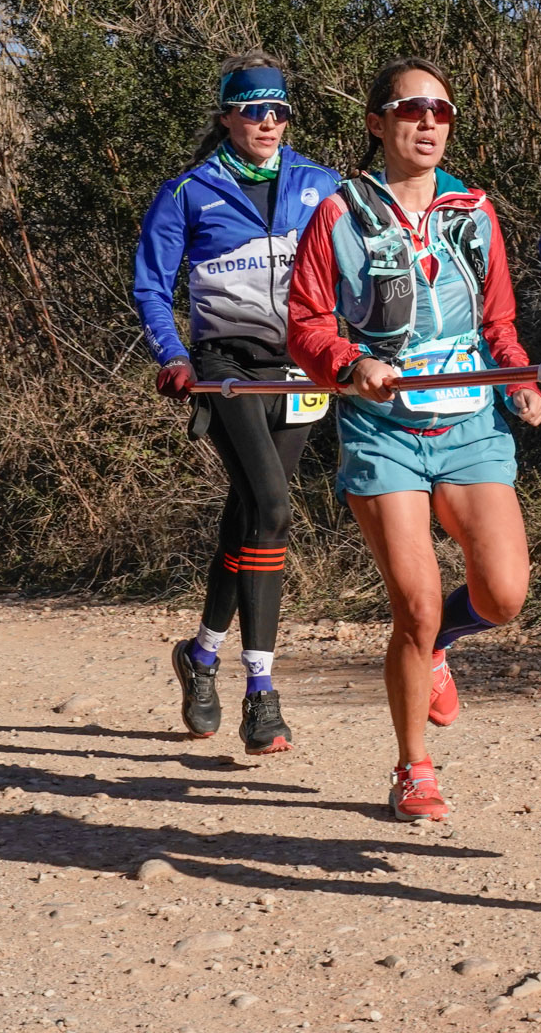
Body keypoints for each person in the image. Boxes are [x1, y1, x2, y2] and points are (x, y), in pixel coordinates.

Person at [288, 57, 541, 821]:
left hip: (471, 421)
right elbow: (305, 323)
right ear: (378, 124)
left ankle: (439, 652)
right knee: (416, 604)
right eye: (411, 109)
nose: (429, 122)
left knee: (504, 595)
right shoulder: (340, 213)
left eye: (442, 111)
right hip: (382, 431)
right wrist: (350, 361)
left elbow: (498, 320)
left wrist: (520, 380)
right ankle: (413, 766)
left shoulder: (474, 211)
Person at [134, 54, 341, 754]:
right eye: (254, 110)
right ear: (227, 116)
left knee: (250, 512)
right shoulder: (189, 191)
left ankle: (199, 657)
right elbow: (152, 289)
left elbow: (367, 265)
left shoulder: (322, 185)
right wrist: (175, 358)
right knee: (275, 508)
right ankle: (260, 690)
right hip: (225, 369)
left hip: (302, 368)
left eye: (279, 109)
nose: (269, 122)